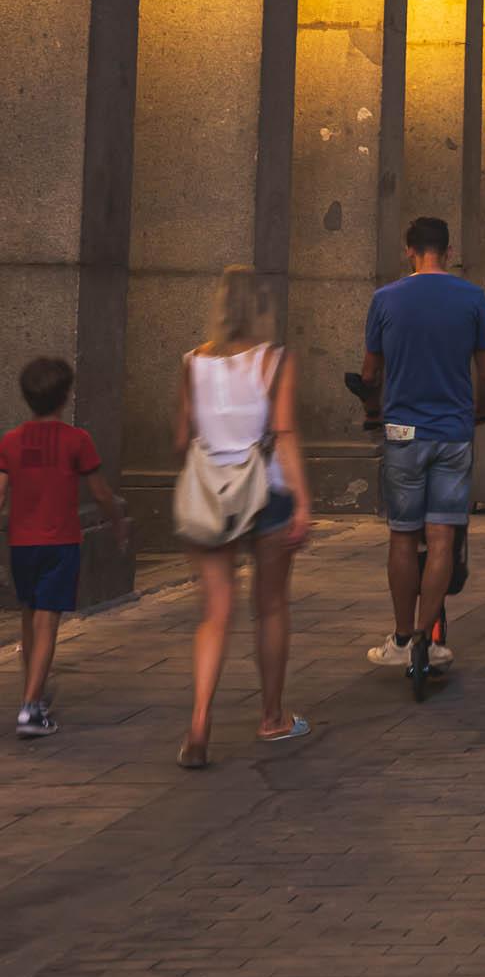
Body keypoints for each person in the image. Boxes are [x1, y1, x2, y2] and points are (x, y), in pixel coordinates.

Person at [172, 273, 313, 765]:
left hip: (210, 493)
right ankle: (272, 717)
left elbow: (181, 435)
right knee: (271, 607)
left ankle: (198, 723)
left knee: (214, 614)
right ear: (260, 308)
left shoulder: (192, 362)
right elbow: (285, 433)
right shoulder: (276, 361)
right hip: (267, 491)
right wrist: (303, 503)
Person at [360, 215, 485, 680]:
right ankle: (427, 639)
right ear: (448, 249)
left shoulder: (385, 300)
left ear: (409, 250)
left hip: (402, 432)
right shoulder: (472, 298)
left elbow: (369, 374)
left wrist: (373, 409)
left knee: (403, 535)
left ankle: (400, 639)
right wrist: (480, 409)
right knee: (442, 537)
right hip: (454, 432)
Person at [1, 357, 130, 741]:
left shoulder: (10, 441)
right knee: (48, 622)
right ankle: (30, 707)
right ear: (65, 396)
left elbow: (1, 489)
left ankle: (34, 694)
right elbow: (100, 492)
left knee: (29, 616)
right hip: (59, 542)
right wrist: (117, 522)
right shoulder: (77, 441)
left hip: (21, 543)